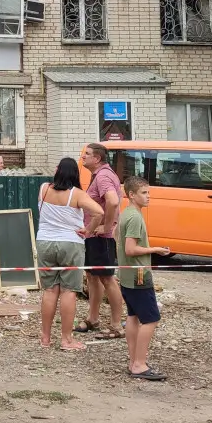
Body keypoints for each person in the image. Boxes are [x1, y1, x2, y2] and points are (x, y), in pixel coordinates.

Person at [36, 158, 105, 351]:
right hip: (70, 243)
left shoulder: (43, 189)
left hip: (45, 242)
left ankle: (45, 338)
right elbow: (99, 212)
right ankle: (66, 339)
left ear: (58, 171)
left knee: (50, 290)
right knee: (68, 290)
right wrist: (89, 230)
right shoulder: (77, 194)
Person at [116, 177, 171, 380]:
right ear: (131, 195)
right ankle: (139, 364)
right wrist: (155, 249)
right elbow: (130, 249)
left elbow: (119, 240)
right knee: (151, 319)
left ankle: (134, 361)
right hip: (138, 274)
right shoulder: (135, 217)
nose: (148, 197)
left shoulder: (126, 214)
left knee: (133, 316)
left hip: (127, 274)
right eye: (144, 193)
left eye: (148, 192)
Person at [79, 143, 124, 340]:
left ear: (97, 158)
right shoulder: (99, 175)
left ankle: (116, 325)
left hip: (101, 237)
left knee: (107, 277)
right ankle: (93, 318)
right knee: (92, 276)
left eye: (87, 154)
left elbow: (113, 201)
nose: (83, 158)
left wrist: (106, 226)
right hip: (93, 236)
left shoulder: (104, 176)